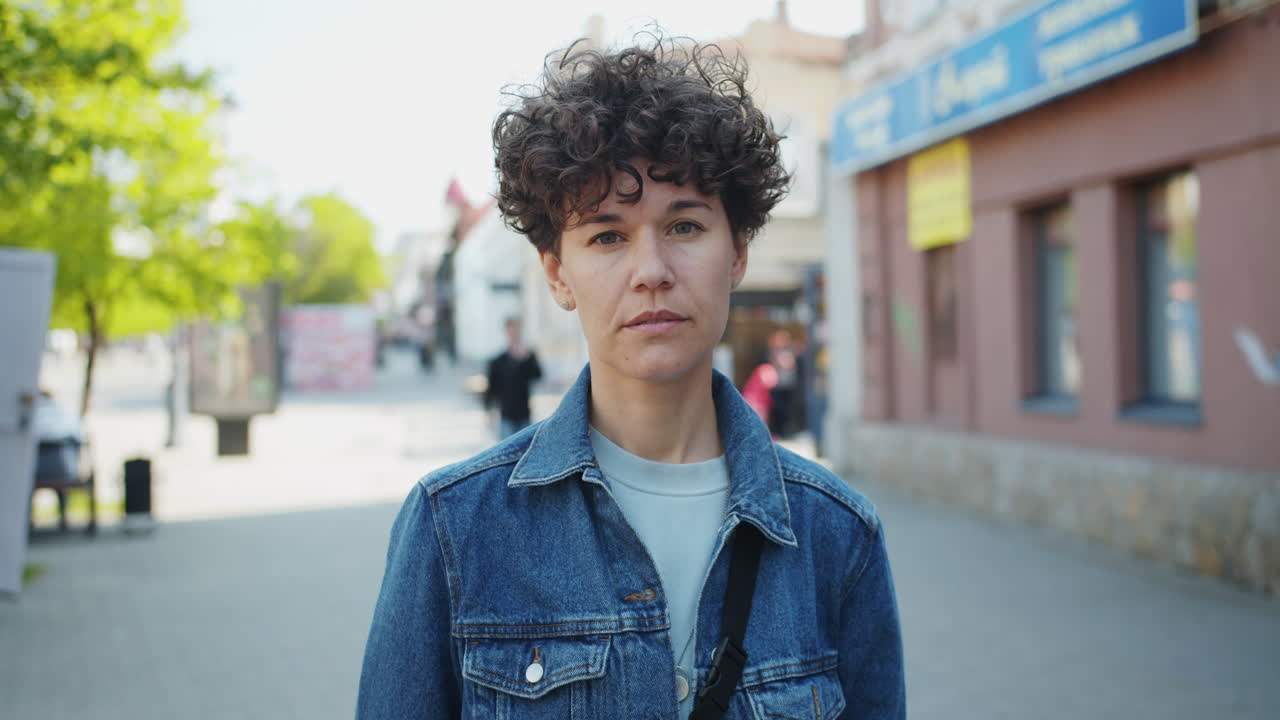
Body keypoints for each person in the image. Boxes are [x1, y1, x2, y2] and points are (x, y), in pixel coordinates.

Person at [357, 33, 905, 719]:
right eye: (607, 236)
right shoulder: (454, 527)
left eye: (683, 226)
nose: (651, 271)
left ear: (736, 251)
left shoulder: (836, 534)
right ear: (557, 273)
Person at [484, 316, 543, 439]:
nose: (514, 334)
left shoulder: (528, 355)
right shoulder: (498, 361)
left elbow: (538, 375)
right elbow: (491, 389)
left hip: (524, 413)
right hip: (506, 415)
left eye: (516, 330)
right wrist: (490, 412)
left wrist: (526, 359)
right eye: (511, 331)